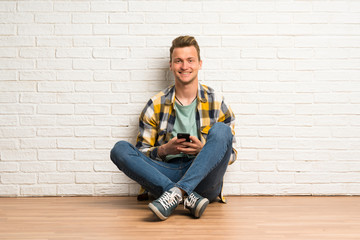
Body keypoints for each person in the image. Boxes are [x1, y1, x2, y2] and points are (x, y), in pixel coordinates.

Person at [110, 35, 237, 221]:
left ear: (200, 64)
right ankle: (182, 195)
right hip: (165, 172)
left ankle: (176, 192)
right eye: (178, 61)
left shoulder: (217, 102)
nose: (184, 66)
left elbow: (231, 154)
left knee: (221, 130)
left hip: (203, 178)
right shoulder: (155, 104)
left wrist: (204, 150)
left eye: (190, 60)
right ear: (171, 65)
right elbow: (140, 154)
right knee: (119, 149)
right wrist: (163, 150)